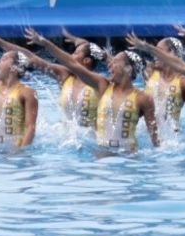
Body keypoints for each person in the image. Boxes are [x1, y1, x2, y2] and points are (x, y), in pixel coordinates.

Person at [24, 28, 159, 152]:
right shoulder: (103, 86)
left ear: (128, 69)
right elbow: (71, 63)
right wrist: (46, 43)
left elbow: (155, 139)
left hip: (130, 157)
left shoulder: (144, 98)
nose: (110, 65)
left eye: (115, 62)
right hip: (102, 153)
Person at [0, 27, 107, 129]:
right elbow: (31, 58)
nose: (70, 55)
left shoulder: (98, 83)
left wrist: (46, 43)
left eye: (76, 53)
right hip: (68, 138)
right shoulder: (64, 76)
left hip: (93, 139)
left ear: (87, 61)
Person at [143, 36, 185, 133]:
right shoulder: (150, 70)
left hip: (171, 135)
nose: (155, 55)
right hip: (145, 131)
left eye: (159, 51)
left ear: (172, 54)